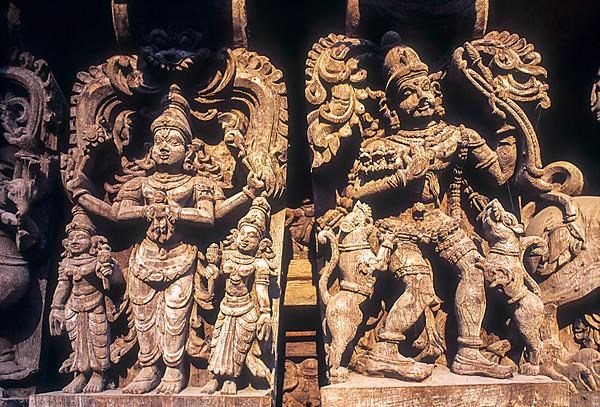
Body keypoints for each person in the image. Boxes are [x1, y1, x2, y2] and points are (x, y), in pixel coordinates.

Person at [68, 84, 264, 394]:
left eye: (173, 141)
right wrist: (83, 195)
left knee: (175, 315)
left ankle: (174, 370)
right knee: (144, 316)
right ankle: (148, 369)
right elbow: (118, 214)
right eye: (159, 141)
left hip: (181, 256)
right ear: (149, 148)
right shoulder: (139, 183)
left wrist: (245, 195)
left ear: (189, 151)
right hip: (145, 257)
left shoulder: (196, 182)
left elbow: (210, 216)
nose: (164, 147)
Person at [345, 32, 514, 379]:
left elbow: (499, 174)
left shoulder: (458, 136)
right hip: (399, 228)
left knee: (474, 269)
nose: (420, 98)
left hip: (441, 222)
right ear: (392, 107)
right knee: (418, 284)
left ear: (436, 92)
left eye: (425, 89)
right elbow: (356, 191)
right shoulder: (384, 145)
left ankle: (468, 351)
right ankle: (385, 350)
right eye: (407, 94)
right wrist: (402, 178)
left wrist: (505, 127)